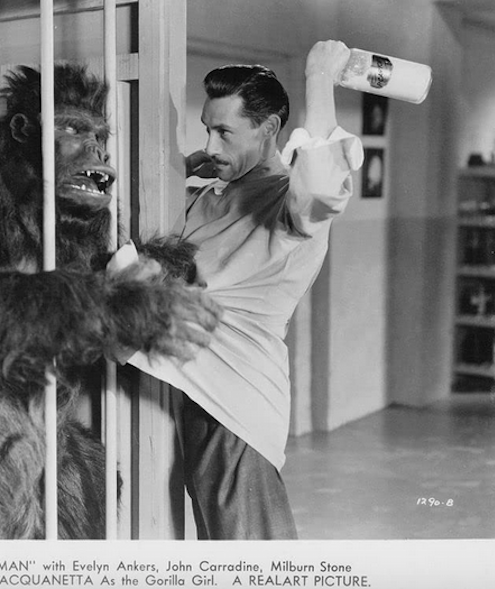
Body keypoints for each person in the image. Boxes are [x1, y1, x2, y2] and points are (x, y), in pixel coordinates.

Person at [127, 40, 364, 539]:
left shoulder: (286, 200)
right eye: (207, 130)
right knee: (224, 546)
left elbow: (321, 190)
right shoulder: (209, 195)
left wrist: (319, 79)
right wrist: (181, 169)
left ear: (269, 128)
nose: (212, 147)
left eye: (224, 132)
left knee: (253, 555)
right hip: (197, 391)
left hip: (238, 400)